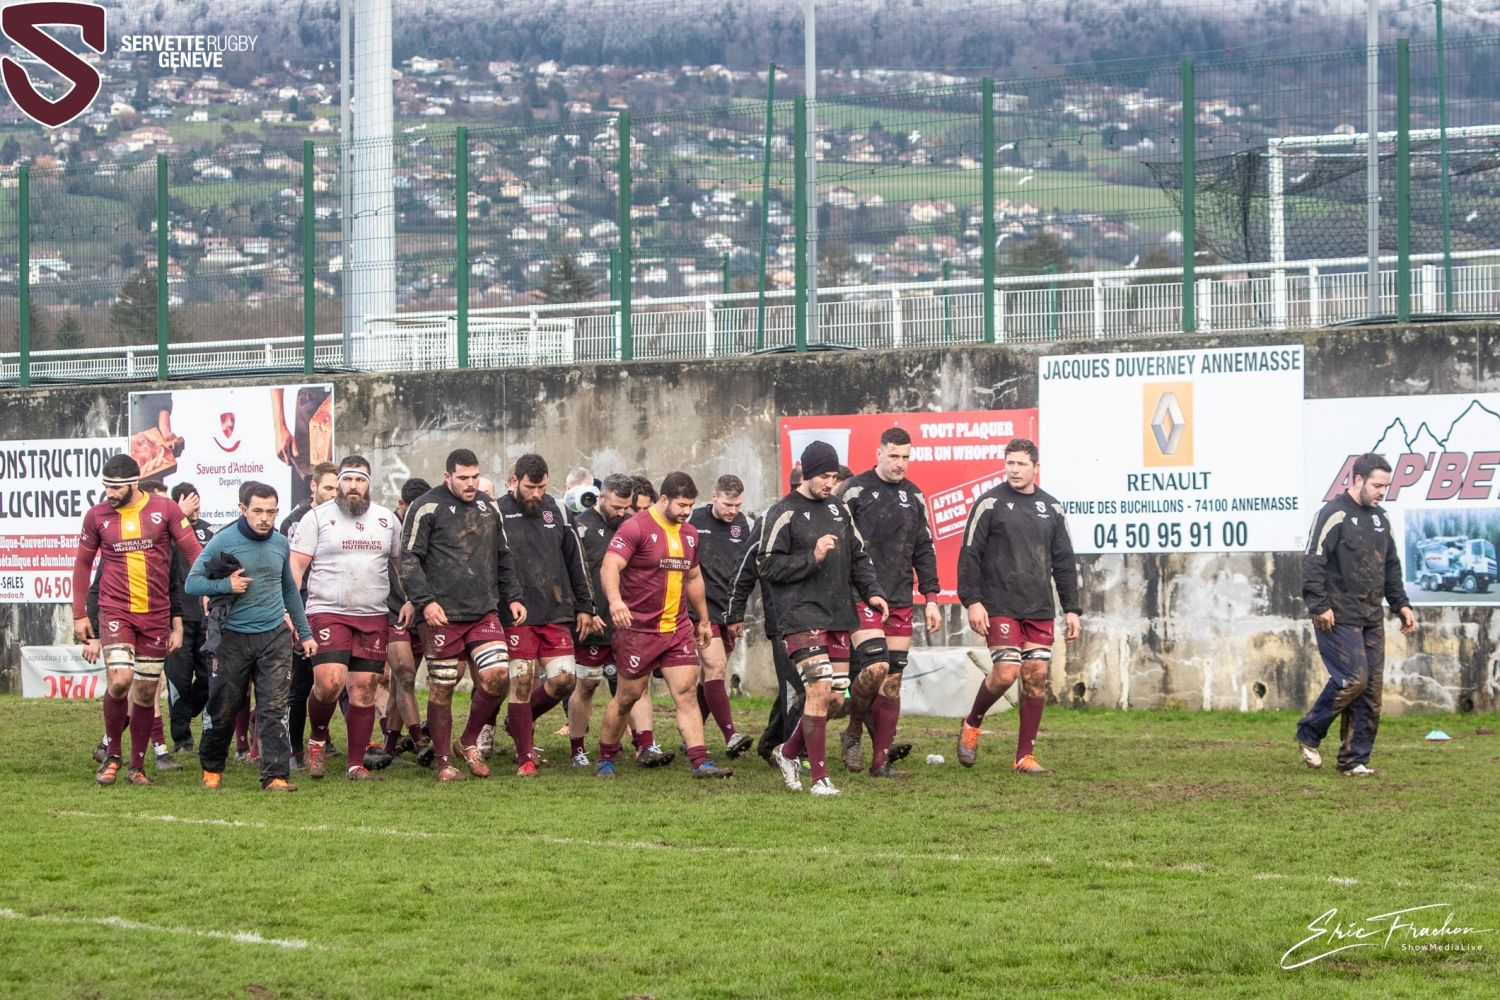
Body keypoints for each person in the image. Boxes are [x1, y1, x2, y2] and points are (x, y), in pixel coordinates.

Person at [761, 441, 889, 797]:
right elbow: (766, 564)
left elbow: (858, 556)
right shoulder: (783, 512)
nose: (830, 483)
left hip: (837, 614)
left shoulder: (838, 509)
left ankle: (787, 753)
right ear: (806, 473)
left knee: (834, 699)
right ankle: (819, 778)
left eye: (834, 476)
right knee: (818, 689)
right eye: (823, 477)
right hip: (800, 615)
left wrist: (873, 591)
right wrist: (812, 558)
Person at [455, 454, 595, 776]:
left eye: (542, 487)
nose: (536, 493)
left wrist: (585, 606)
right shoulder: (495, 511)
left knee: (564, 680)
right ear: (514, 481)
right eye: (530, 487)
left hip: (555, 609)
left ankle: (516, 721)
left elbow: (576, 559)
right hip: (515, 613)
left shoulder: (559, 511)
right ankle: (525, 758)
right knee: (520, 681)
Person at [72, 455, 203, 786]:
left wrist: (208, 588)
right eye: (106, 486)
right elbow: (83, 564)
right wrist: (79, 613)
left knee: (145, 693)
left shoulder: (165, 509)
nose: (109, 493)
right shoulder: (96, 516)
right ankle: (112, 756)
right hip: (115, 611)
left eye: (116, 488)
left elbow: (193, 552)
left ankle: (137, 766)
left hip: (155, 614)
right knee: (120, 680)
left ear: (134, 483)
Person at [398, 449, 527, 782]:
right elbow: (409, 559)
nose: (471, 484)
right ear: (448, 477)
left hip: (483, 611)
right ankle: (444, 762)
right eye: (463, 478)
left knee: (497, 677)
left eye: (475, 477)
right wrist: (426, 602)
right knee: (442, 687)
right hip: (442, 614)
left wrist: (513, 596)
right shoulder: (426, 506)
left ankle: (467, 740)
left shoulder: (489, 507)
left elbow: (503, 556)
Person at [594, 472, 732, 779]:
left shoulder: (690, 534)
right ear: (665, 499)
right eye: (682, 505)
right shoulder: (636, 527)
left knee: (686, 693)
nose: (687, 511)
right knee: (628, 697)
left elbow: (693, 577)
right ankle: (606, 757)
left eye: (691, 505)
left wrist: (703, 620)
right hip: (638, 630)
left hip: (676, 629)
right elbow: (610, 565)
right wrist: (615, 602)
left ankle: (700, 762)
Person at [955, 438, 1080, 775]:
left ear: (1035, 467)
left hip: (1038, 607)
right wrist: (973, 601)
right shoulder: (989, 503)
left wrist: (1072, 608)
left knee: (1035, 676)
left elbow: (1064, 562)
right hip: (999, 604)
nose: (1014, 469)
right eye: (1009, 463)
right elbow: (969, 554)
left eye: (1021, 464)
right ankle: (972, 723)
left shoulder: (1051, 508)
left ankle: (1024, 756)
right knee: (1006, 673)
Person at [187, 481, 317, 791]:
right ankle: (212, 768)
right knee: (224, 706)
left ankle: (275, 775)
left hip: (274, 636)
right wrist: (225, 586)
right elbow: (192, 583)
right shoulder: (223, 540)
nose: (265, 518)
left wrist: (305, 633)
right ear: (242, 509)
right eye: (258, 511)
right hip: (231, 637)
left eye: (271, 512)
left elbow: (289, 589)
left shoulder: (280, 543)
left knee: (274, 708)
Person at [289, 456, 412, 781]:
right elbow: (296, 568)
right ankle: (318, 739)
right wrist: (291, 611)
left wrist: (412, 600)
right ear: (339, 482)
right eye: (347, 479)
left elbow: (403, 566)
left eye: (360, 480)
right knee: (329, 682)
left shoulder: (386, 520)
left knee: (364, 689)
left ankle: (355, 764)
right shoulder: (317, 518)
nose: (353, 486)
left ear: (369, 483)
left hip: (373, 614)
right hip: (327, 610)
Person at [1296, 453, 1416, 776]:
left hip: (1371, 616)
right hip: (1337, 615)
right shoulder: (1332, 514)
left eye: (1386, 487)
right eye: (1377, 486)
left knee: (1371, 690)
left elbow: (1390, 565)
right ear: (1358, 480)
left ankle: (1354, 760)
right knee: (1352, 680)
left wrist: (1401, 604)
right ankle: (1309, 733)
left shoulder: (1382, 519)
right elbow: (1313, 561)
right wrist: (1319, 605)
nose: (1382, 492)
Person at [837, 428, 942, 778]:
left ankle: (880, 762)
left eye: (906, 457)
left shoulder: (914, 495)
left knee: (892, 680)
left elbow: (924, 548)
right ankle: (853, 731)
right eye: (894, 456)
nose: (900, 463)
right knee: (874, 668)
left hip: (899, 596)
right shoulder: (853, 490)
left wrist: (931, 598)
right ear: (879, 453)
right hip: (860, 594)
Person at [568, 474, 669, 768]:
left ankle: (646, 745)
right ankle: (577, 749)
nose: (621, 513)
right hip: (593, 621)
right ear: (601, 497)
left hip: (629, 623)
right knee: (586, 685)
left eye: (626, 507)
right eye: (616, 507)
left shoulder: (633, 527)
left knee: (636, 686)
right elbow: (575, 573)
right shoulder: (581, 527)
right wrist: (586, 609)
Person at [687, 474, 756, 758]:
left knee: (710, 676)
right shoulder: (692, 520)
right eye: (728, 504)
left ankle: (691, 734)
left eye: (738, 505)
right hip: (700, 611)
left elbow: (748, 570)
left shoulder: (746, 525)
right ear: (714, 496)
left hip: (729, 612)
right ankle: (731, 735)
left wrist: (738, 612)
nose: (733, 511)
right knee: (715, 668)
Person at [375, 476, 432, 764]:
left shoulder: (429, 527)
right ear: (401, 504)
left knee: (400, 683)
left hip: (419, 611)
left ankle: (389, 746)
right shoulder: (384, 529)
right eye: (412, 509)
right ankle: (420, 741)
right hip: (390, 613)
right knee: (405, 675)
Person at [165, 481, 216, 753]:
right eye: (190, 506)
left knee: (210, 677)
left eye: (198, 506)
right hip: (178, 617)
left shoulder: (209, 531)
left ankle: (187, 717)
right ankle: (181, 739)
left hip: (206, 617)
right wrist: (178, 517)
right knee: (179, 679)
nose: (196, 512)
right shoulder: (167, 530)